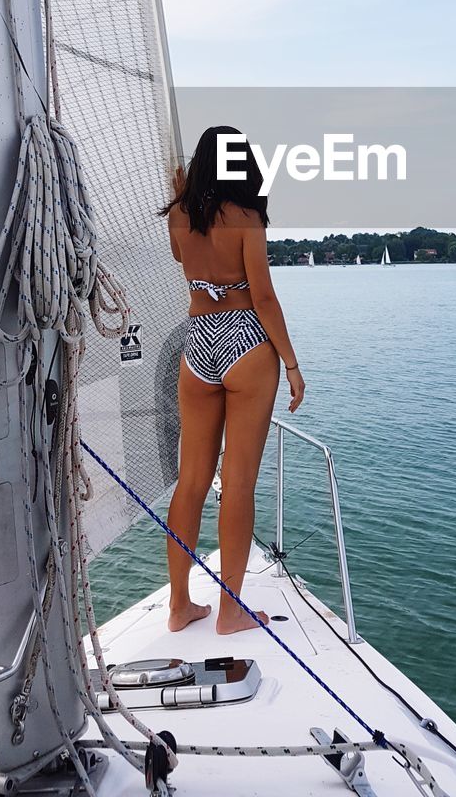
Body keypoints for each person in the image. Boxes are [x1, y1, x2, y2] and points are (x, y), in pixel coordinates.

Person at [160, 125, 305, 634]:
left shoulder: (180, 214)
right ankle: (229, 612)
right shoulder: (247, 218)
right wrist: (290, 362)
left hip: (198, 342)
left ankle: (180, 606)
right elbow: (263, 297)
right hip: (246, 341)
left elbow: (183, 259)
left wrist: (182, 191)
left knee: (192, 481)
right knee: (237, 485)